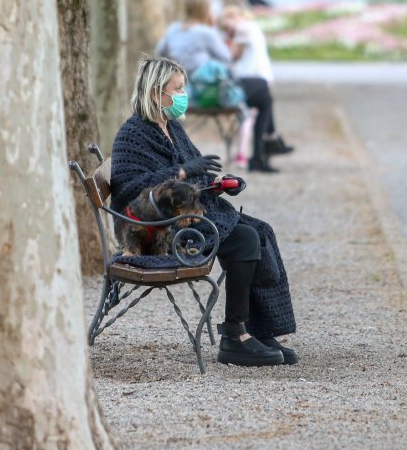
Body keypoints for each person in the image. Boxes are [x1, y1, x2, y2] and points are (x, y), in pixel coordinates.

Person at [110, 57, 298, 367]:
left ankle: (259, 330)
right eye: (178, 89)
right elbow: (130, 191)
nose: (184, 95)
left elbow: (195, 179)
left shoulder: (171, 126)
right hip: (161, 230)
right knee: (245, 239)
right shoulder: (133, 133)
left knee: (260, 230)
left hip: (190, 216)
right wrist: (181, 172)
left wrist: (220, 185)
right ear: (157, 93)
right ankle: (234, 337)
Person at [219, 6, 295, 173]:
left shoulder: (243, 29)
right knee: (265, 103)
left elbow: (232, 56)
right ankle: (267, 145)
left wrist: (227, 39)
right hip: (259, 78)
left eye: (227, 27)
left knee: (257, 110)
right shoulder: (252, 27)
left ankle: (264, 147)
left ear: (233, 19)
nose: (228, 31)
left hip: (249, 79)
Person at [154, 0, 232, 75]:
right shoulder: (205, 32)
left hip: (177, 80)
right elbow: (226, 57)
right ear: (205, 8)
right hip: (201, 83)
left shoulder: (173, 28)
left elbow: (160, 52)